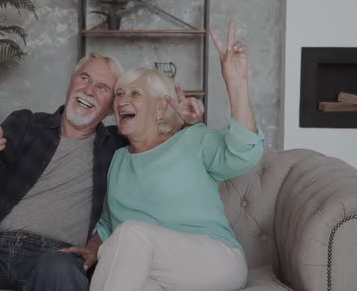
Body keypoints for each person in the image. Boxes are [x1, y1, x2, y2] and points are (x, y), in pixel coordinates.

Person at [0, 51, 204, 291]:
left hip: (56, 256)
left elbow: (163, 145)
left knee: (60, 272)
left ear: (112, 107)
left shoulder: (117, 144)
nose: (89, 90)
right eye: (84, 78)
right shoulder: (27, 123)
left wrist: (182, 120)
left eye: (102, 88)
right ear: (71, 82)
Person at [62, 20, 265, 291]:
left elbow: (244, 154)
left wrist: (236, 82)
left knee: (132, 234)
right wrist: (94, 248)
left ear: (160, 110)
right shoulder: (118, 160)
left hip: (215, 261)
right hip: (155, 270)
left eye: (135, 93)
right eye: (119, 93)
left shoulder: (192, 139)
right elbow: (108, 222)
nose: (122, 100)